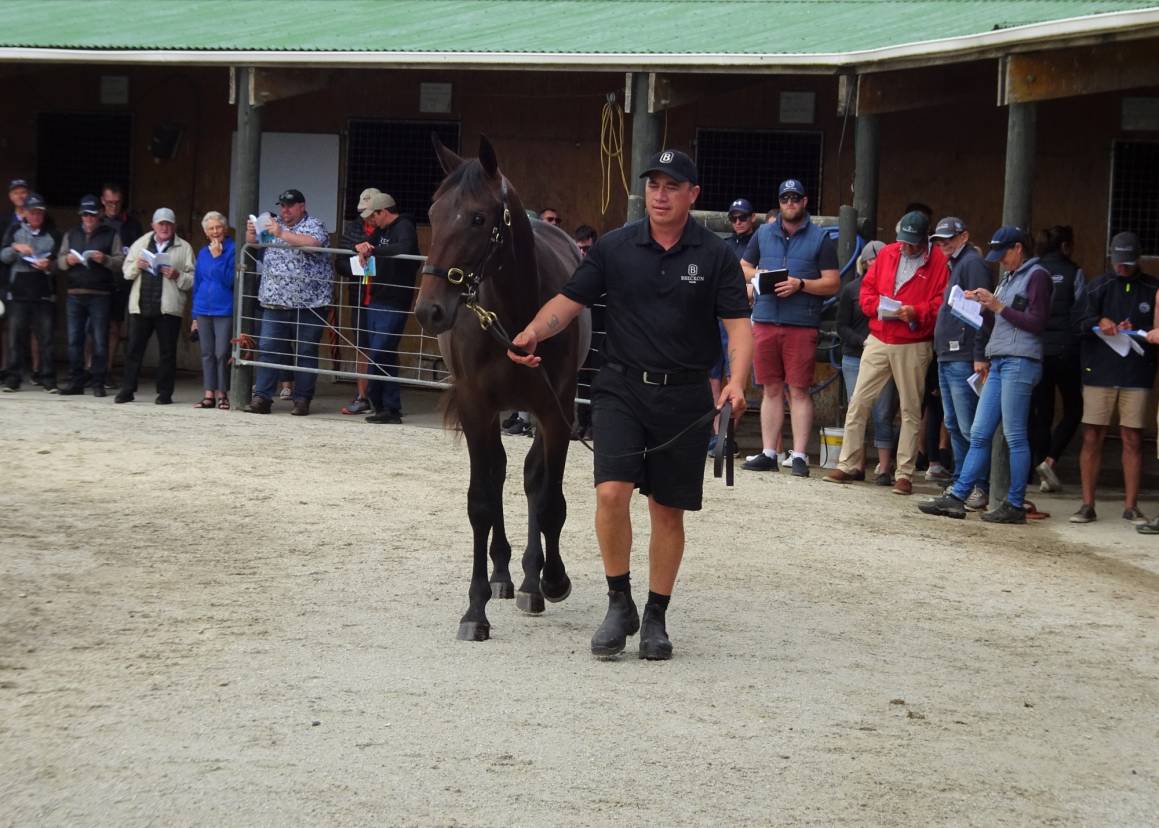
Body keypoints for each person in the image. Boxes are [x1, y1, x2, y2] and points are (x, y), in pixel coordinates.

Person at [507, 149, 753, 660]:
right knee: (612, 494)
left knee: (667, 510)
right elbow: (569, 302)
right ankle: (619, 603)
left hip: (685, 394)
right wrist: (532, 330)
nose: (659, 195)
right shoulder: (615, 247)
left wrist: (736, 382)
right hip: (619, 388)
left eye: (671, 185)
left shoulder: (715, 255)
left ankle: (656, 616)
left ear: (693, 194)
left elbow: (737, 326)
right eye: (653, 185)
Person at [919, 226, 1051, 524]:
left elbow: (1038, 322)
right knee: (979, 433)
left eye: (1004, 254)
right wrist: (981, 305)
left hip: (1020, 360)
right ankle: (958, 495)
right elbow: (1000, 320)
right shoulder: (1009, 278)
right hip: (1001, 359)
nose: (1001, 261)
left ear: (1019, 248)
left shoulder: (1037, 275)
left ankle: (1014, 503)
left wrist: (997, 306)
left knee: (1014, 435)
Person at [823, 211, 947, 495]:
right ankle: (849, 463)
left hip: (913, 341)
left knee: (910, 409)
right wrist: (875, 308)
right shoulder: (888, 253)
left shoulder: (939, 262)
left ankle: (904, 473)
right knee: (859, 401)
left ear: (924, 240)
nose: (905, 246)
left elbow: (941, 302)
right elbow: (866, 288)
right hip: (879, 335)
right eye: (902, 240)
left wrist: (915, 312)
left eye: (912, 243)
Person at [740, 179, 840, 477]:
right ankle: (770, 451)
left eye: (795, 197)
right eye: (785, 198)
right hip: (766, 318)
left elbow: (833, 282)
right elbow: (743, 267)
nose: (790, 202)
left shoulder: (820, 238)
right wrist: (761, 274)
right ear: (780, 202)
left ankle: (798, 455)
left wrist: (801, 284)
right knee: (770, 388)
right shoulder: (763, 233)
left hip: (801, 322)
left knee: (798, 389)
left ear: (805, 201)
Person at [1068, 232, 1155, 525]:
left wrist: (1135, 328)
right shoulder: (1098, 285)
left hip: (1136, 372)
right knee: (1092, 434)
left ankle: (1131, 506)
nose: (1122, 268)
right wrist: (1098, 321)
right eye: (1118, 262)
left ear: (1138, 259)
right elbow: (1076, 322)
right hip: (1100, 370)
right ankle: (1087, 504)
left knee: (1132, 437)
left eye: (1128, 263)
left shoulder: (1152, 288)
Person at [242, 189, 332, 416]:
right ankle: (262, 397)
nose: (285, 210)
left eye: (290, 206)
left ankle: (302, 399)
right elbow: (252, 244)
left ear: (302, 206)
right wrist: (251, 232)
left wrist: (281, 232)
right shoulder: (272, 225)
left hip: (310, 304)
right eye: (282, 206)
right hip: (274, 302)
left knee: (306, 352)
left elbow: (313, 244)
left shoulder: (314, 224)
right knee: (268, 349)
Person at [929, 217, 992, 509]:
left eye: (948, 239)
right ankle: (963, 481)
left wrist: (978, 353)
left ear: (964, 236)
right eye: (939, 241)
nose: (943, 245)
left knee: (967, 426)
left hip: (962, 354)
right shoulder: (958, 263)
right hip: (949, 353)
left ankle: (977, 485)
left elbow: (982, 309)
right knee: (954, 423)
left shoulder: (972, 263)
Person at [833, 239, 898, 484]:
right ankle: (854, 465)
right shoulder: (851, 289)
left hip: (885, 355)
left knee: (882, 412)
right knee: (856, 408)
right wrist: (863, 342)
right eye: (871, 259)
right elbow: (841, 325)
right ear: (864, 262)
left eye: (880, 259)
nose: (875, 262)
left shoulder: (894, 291)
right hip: (854, 355)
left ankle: (883, 467)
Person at [115, 208, 195, 404]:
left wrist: (178, 276)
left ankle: (165, 393)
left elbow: (193, 279)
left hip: (168, 308)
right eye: (161, 224)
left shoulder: (184, 247)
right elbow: (126, 271)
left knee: (167, 352)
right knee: (134, 350)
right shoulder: (141, 243)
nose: (164, 227)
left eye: (168, 224)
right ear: (153, 225)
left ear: (174, 226)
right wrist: (137, 266)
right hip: (141, 306)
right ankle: (127, 389)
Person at [353, 192, 419, 424]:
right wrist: (362, 247)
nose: (371, 221)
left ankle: (380, 402)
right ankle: (387, 407)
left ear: (384, 212)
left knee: (380, 352)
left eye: (373, 216)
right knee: (384, 354)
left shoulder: (404, 227)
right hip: (379, 297)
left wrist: (373, 251)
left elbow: (406, 248)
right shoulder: (383, 230)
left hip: (395, 298)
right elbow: (371, 245)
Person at [1031, 225, 1087, 494]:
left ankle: (1041, 468)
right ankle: (1050, 460)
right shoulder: (1074, 272)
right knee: (1075, 408)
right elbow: (1080, 313)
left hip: (1038, 349)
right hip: (1065, 350)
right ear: (1065, 246)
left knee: (1042, 413)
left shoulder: (1033, 269)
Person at [58, 195, 123, 396]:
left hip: (100, 293)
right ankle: (77, 381)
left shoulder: (111, 234)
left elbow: (121, 261)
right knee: (74, 339)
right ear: (81, 215)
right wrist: (67, 261)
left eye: (92, 214)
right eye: (85, 214)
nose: (88, 218)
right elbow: (59, 261)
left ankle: (98, 382)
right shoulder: (71, 234)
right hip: (75, 292)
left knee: (100, 339)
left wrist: (104, 259)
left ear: (99, 214)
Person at [1, 193, 58, 392]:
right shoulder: (15, 230)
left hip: (42, 293)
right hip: (18, 293)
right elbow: (4, 256)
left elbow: (58, 263)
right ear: (25, 213)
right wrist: (16, 248)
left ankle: (48, 377)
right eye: (32, 212)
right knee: (16, 338)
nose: (36, 216)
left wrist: (48, 265)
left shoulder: (51, 233)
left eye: (39, 213)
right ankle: (13, 378)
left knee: (46, 338)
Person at [339, 187, 383, 415]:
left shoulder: (389, 230)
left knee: (384, 345)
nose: (366, 217)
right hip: (359, 295)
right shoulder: (353, 229)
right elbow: (340, 262)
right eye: (363, 212)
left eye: (370, 212)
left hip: (383, 296)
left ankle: (383, 398)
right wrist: (356, 264)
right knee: (362, 345)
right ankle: (362, 395)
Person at [190, 211, 235, 410]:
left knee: (222, 353)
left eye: (218, 227)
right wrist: (193, 316)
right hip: (203, 308)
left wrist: (218, 259)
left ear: (224, 229)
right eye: (211, 229)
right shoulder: (202, 253)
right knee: (207, 353)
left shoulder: (233, 249)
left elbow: (230, 281)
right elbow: (197, 283)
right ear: (206, 232)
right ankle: (208, 394)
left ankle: (222, 394)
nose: (215, 231)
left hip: (224, 308)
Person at [99, 183, 143, 384]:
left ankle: (107, 369)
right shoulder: (95, 220)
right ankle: (89, 368)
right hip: (97, 280)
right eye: (109, 203)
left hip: (121, 281)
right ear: (102, 201)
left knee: (115, 327)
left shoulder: (132, 224)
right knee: (93, 328)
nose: (113, 207)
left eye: (117, 203)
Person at [573, 224, 601, 440]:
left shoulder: (602, 269)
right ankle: (581, 424)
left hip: (601, 335)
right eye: (580, 248)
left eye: (587, 249)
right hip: (580, 335)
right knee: (580, 380)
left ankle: (594, 425)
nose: (583, 253)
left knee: (597, 380)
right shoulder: (572, 270)